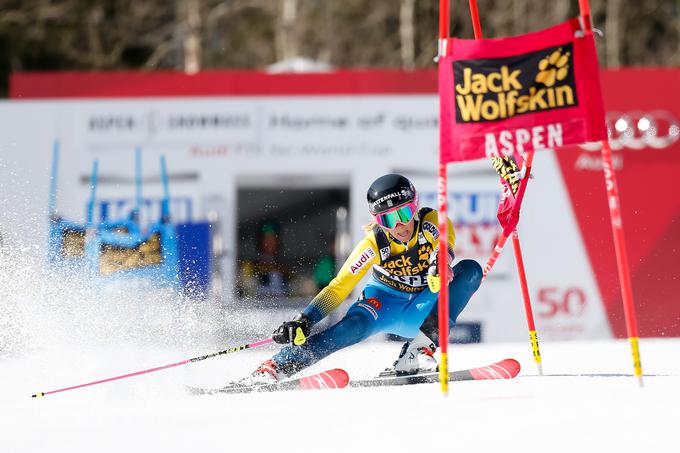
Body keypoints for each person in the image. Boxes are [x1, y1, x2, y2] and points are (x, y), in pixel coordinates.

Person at [239, 174, 483, 384]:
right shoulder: (373, 243)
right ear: (378, 222)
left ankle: (419, 349)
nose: (400, 225)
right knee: (349, 328)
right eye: (388, 219)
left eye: (405, 212)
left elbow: (443, 245)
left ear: (415, 207)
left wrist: (440, 265)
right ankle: (276, 367)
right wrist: (305, 319)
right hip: (384, 303)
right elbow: (338, 288)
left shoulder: (432, 222)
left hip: (422, 308)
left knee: (471, 269)